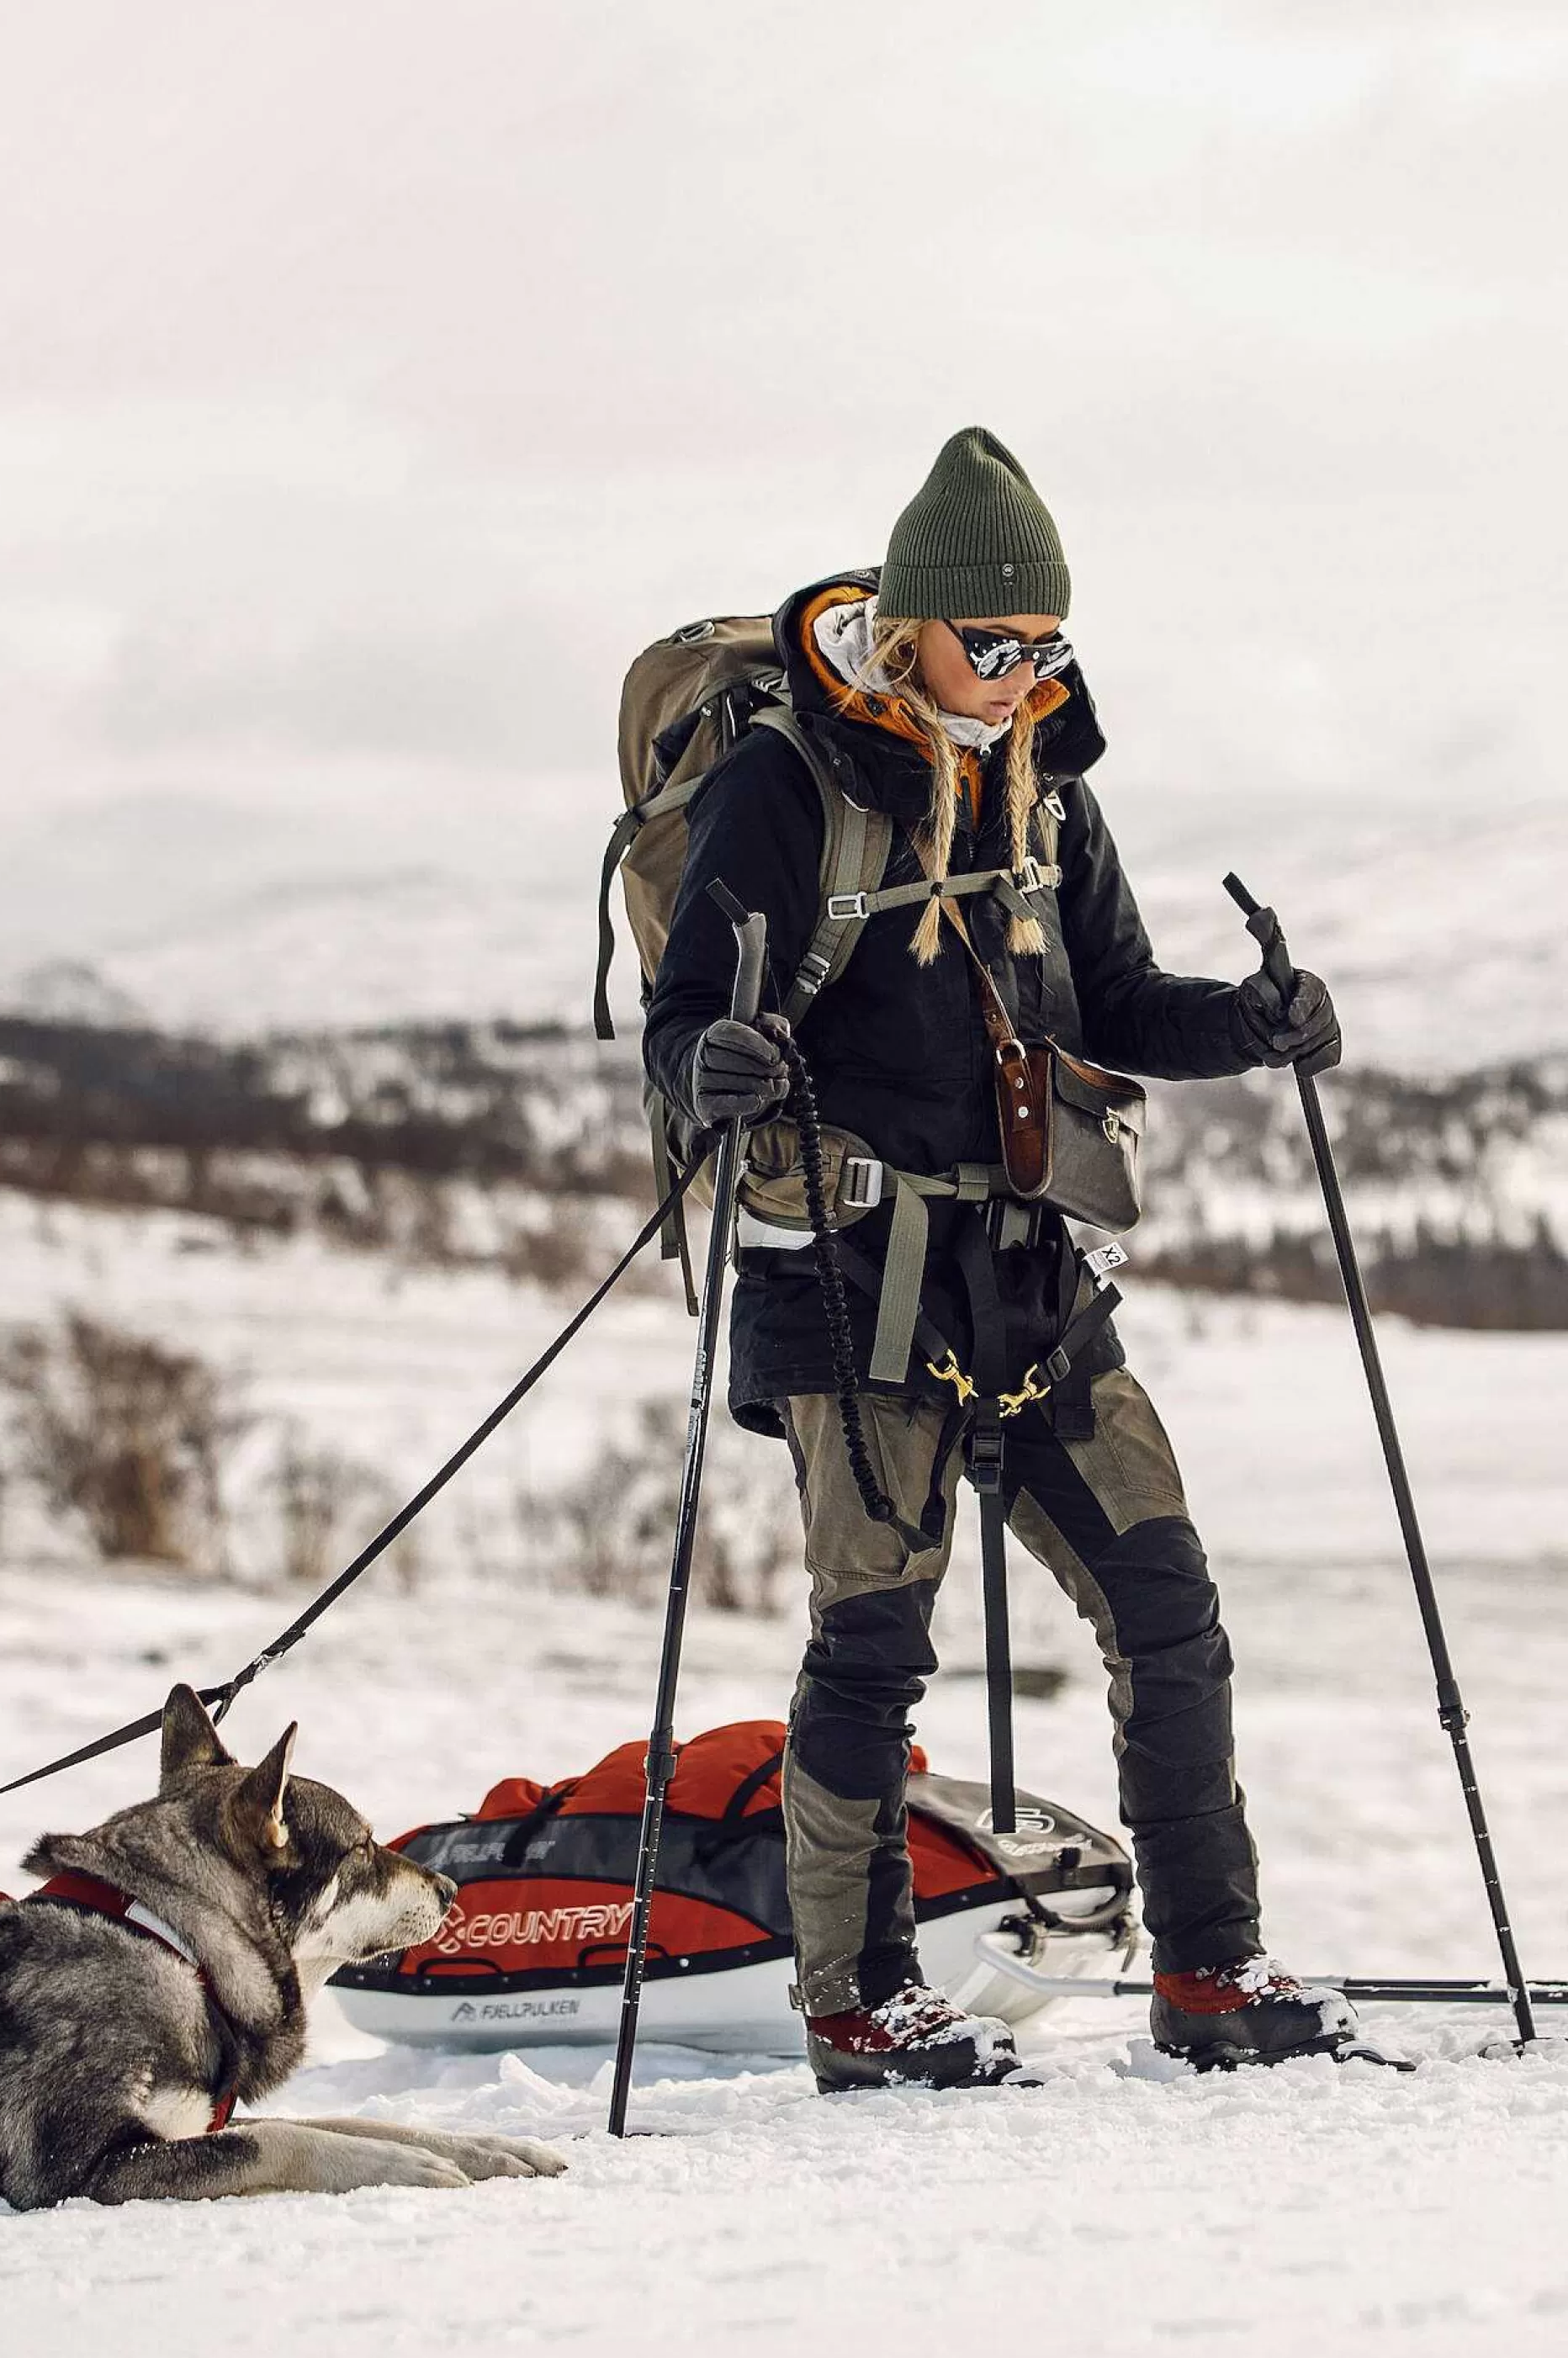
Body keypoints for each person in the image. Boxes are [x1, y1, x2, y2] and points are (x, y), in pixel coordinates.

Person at [644, 427, 1354, 2092]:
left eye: (1050, 641)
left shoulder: (1047, 782)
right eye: (998, 640)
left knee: (1164, 1607)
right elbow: (687, 1016)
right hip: (849, 1271)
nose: (1029, 669)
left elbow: (1111, 1002)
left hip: (1029, 1272)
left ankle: (1208, 1968)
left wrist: (1248, 1026)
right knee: (873, 1641)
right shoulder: (787, 782)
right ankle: (860, 2003)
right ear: (912, 628)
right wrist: (713, 1070)